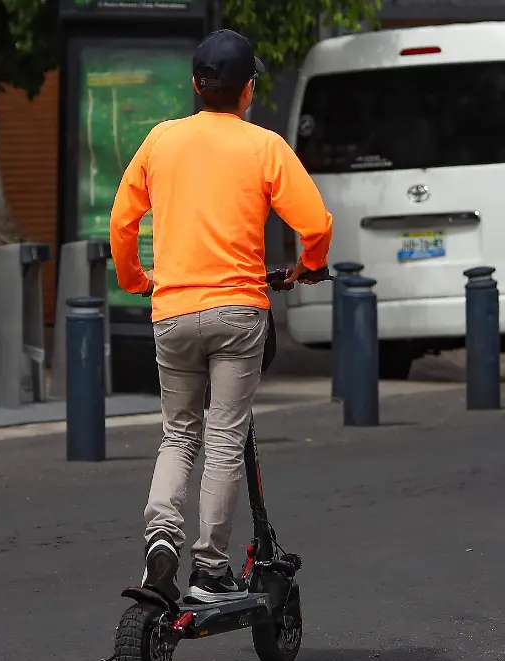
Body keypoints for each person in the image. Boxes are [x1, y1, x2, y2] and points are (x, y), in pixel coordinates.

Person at [108, 28, 334, 605]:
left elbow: (122, 222)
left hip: (174, 312)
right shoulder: (264, 146)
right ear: (248, 90)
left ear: (194, 85)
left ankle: (162, 533)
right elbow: (316, 224)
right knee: (226, 440)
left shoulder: (160, 141)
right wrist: (309, 267)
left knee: (179, 433)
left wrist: (137, 280)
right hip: (237, 314)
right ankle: (210, 569)